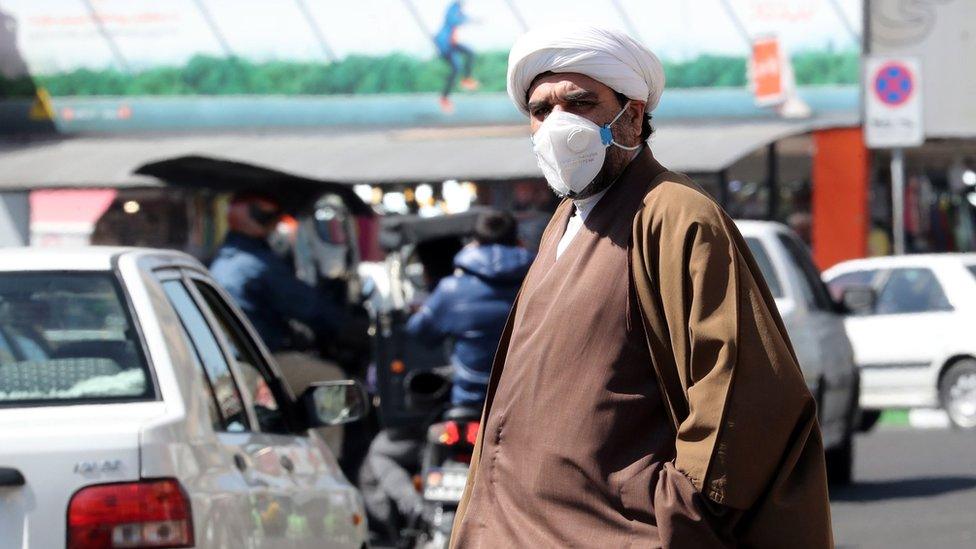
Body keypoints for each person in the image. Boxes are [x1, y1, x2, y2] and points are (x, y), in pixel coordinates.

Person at [451, 26, 832, 547]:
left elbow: (741, 395)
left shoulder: (676, 215)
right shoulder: (564, 220)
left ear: (630, 115)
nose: (557, 124)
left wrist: (671, 514)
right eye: (541, 111)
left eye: (580, 103)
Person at [407, 211, 532, 408]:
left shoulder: (451, 289)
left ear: (474, 243)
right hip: (525, 399)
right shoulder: (541, 280)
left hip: (470, 399)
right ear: (519, 242)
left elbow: (419, 332)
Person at [209, 193, 344, 353]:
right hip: (261, 359)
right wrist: (348, 324)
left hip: (242, 354)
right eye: (266, 213)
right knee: (333, 375)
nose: (276, 219)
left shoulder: (224, 255)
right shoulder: (257, 264)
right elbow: (306, 305)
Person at [434, 0, 479, 114]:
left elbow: (464, 17)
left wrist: (474, 20)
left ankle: (447, 95)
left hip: (450, 43)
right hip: (445, 43)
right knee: (461, 62)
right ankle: (464, 81)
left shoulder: (458, 9)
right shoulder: (453, 7)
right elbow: (452, 20)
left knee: (462, 62)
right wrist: (466, 20)